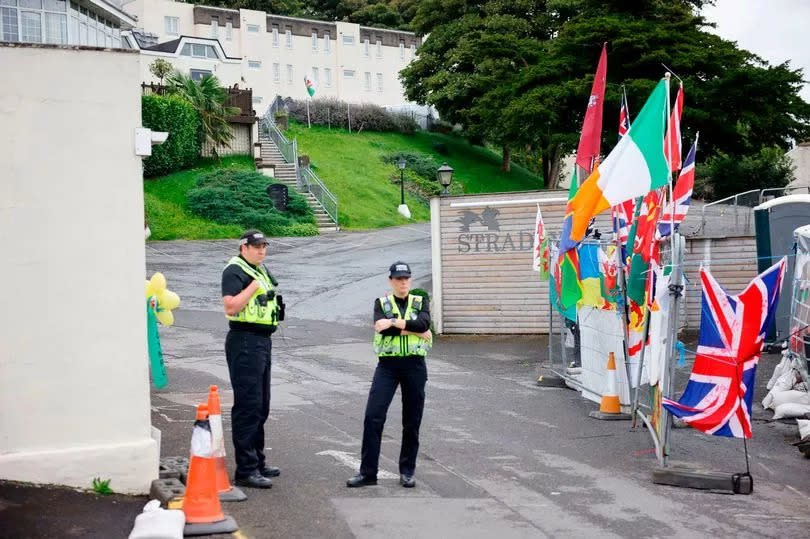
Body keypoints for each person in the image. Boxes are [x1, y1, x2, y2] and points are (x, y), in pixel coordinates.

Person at [347, 261, 432, 489]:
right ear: (391, 281)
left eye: (406, 278)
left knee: (411, 421)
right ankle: (367, 473)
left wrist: (394, 323)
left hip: (415, 366)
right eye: (398, 279)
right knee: (373, 416)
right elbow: (380, 326)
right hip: (387, 367)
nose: (402, 282)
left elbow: (424, 323)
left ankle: (407, 472)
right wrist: (411, 328)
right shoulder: (381, 303)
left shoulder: (420, 301)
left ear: (410, 280)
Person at [221, 230, 285, 489]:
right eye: (256, 246)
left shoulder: (259, 268)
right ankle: (246, 470)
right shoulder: (234, 271)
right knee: (248, 406)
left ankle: (257, 461)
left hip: (261, 341)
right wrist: (253, 288)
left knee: (261, 404)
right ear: (243, 247)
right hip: (244, 341)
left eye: (264, 246)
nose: (262, 250)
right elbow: (231, 306)